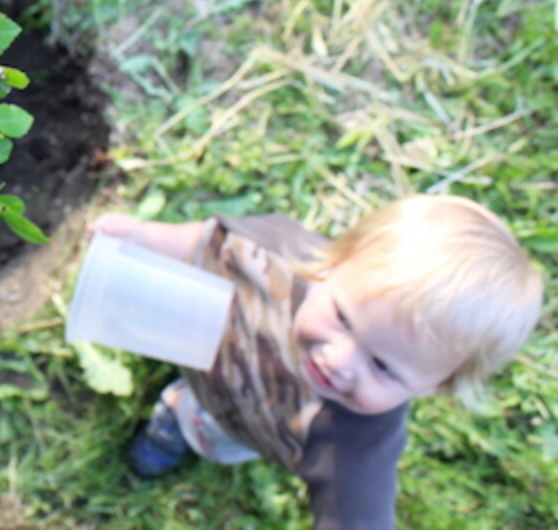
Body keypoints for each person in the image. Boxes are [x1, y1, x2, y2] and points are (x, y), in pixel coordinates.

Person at [90, 194, 544, 529]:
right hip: (206, 350)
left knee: (217, 431)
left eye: (383, 367)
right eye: (342, 318)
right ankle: (184, 405)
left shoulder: (355, 444)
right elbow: (202, 244)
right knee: (196, 397)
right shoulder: (271, 253)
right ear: (331, 265)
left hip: (253, 422)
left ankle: (192, 432)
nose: (337, 359)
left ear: (435, 385)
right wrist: (144, 237)